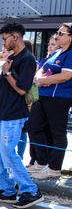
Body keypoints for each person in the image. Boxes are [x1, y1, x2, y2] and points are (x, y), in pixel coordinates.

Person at [0, 22, 43, 208]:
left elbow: (22, 90)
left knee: (8, 152)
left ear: (15, 37)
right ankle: (6, 190)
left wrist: (7, 73)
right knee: (0, 153)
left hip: (13, 114)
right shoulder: (14, 57)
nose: (3, 43)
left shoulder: (27, 59)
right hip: (2, 111)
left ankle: (30, 190)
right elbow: (4, 85)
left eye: (5, 38)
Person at [26, 24, 72, 179]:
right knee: (33, 127)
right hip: (42, 95)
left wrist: (45, 79)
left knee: (57, 132)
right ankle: (42, 161)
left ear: (70, 36)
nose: (57, 35)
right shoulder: (57, 52)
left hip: (59, 97)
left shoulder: (70, 53)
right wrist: (39, 78)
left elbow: (65, 75)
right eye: (57, 33)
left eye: (61, 33)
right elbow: (42, 66)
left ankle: (54, 168)